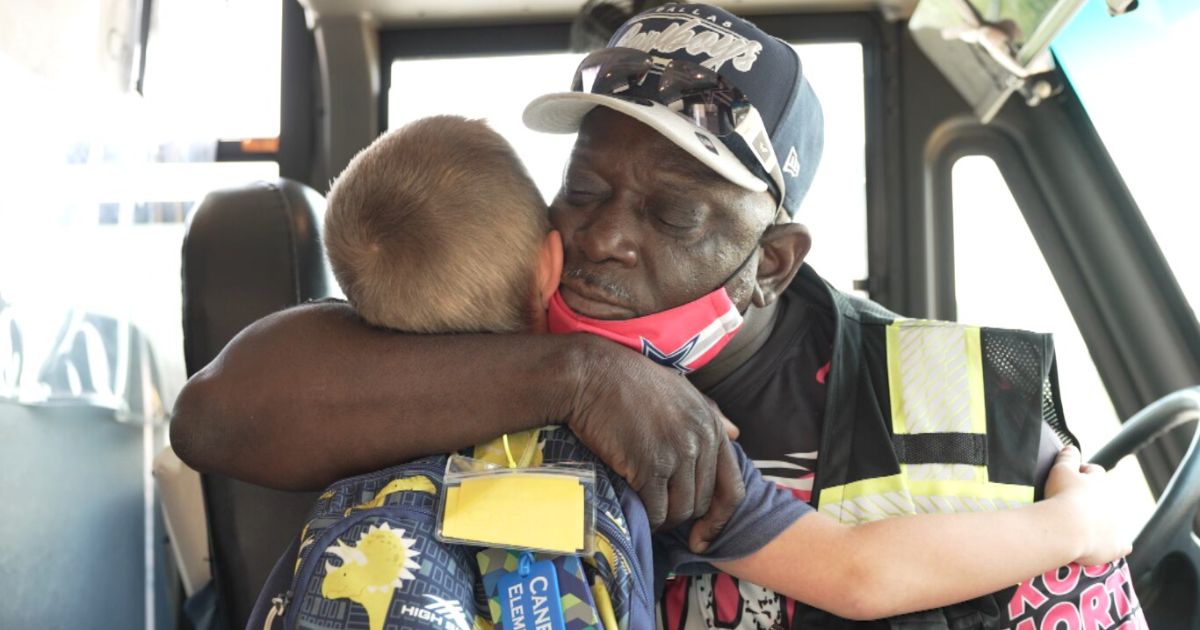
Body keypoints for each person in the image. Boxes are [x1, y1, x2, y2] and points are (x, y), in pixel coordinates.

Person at [176, 4, 1140, 628]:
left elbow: (869, 575)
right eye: (584, 191)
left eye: (673, 214)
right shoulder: (494, 337)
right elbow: (216, 414)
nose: (604, 241)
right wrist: (579, 377)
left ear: (769, 263)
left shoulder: (979, 420)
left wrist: (1081, 514)